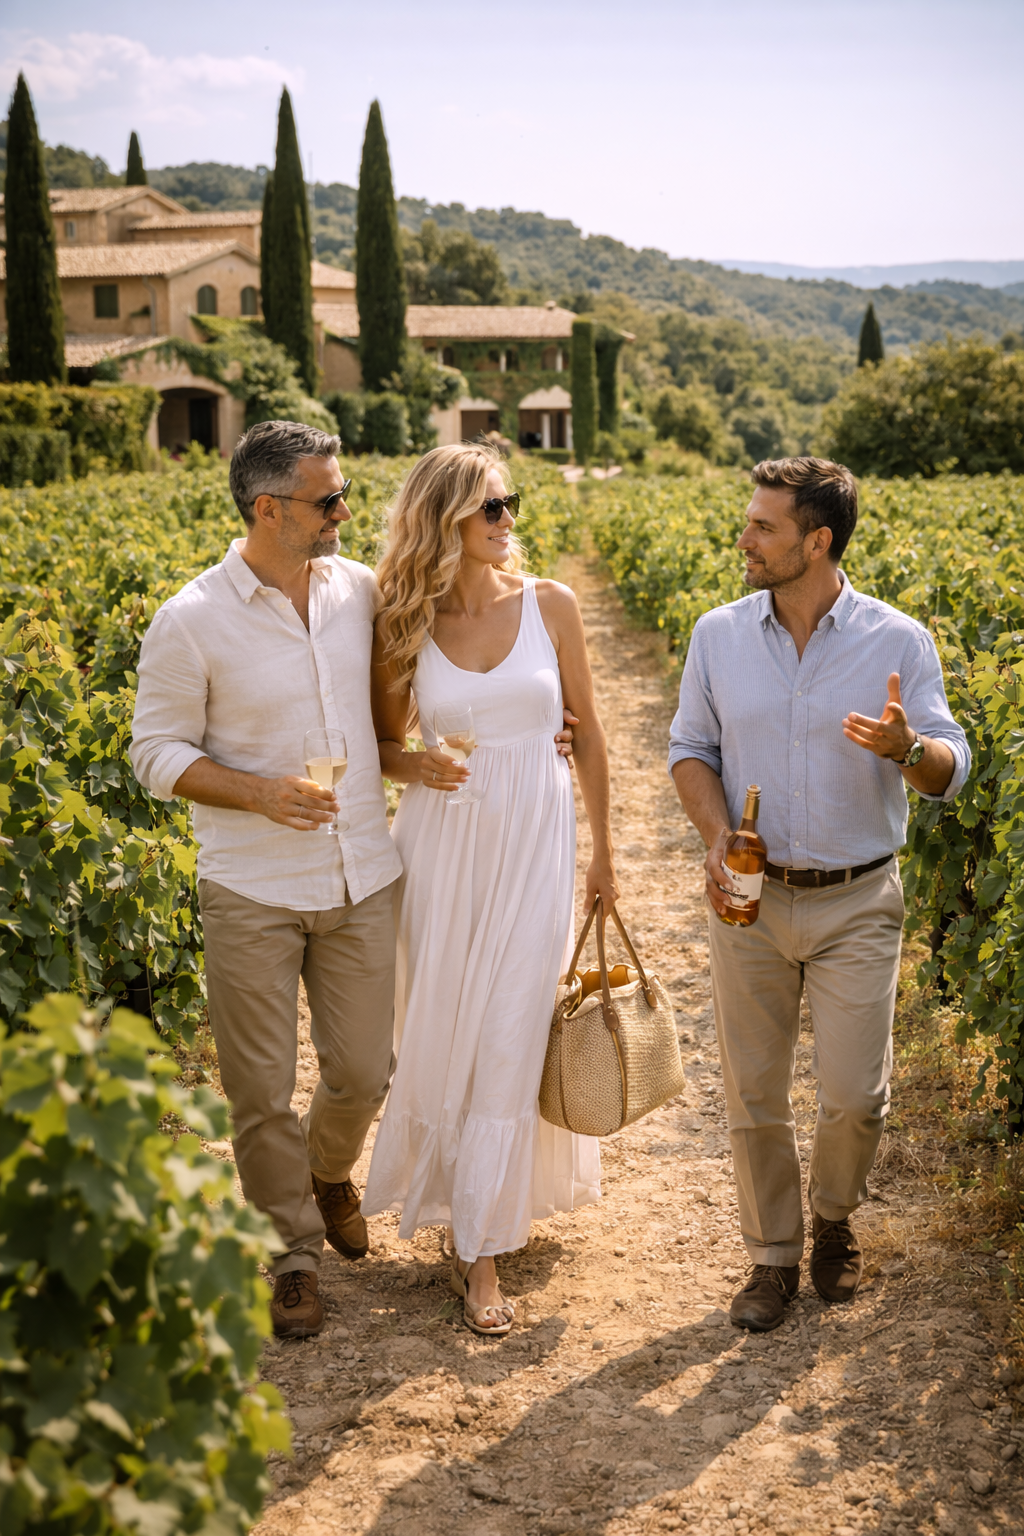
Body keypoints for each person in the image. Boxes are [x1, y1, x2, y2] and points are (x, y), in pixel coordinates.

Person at [668, 456, 970, 1331]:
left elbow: (950, 771)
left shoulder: (898, 642)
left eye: (764, 527)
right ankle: (771, 1257)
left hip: (855, 899)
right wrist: (719, 839)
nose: (745, 539)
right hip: (750, 902)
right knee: (754, 1093)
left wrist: (909, 750)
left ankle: (834, 1216)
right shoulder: (716, 634)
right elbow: (692, 749)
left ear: (818, 540)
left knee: (853, 1096)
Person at [130, 420, 404, 1339]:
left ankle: (329, 1175)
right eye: (329, 499)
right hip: (250, 884)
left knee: (365, 1071)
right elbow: (153, 753)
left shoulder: (359, 590)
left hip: (364, 869)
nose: (344, 511)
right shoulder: (192, 618)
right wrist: (254, 792)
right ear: (269, 508)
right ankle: (292, 1251)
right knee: (258, 1088)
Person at [362, 442, 618, 1334]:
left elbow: (587, 735)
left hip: (536, 839)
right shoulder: (409, 616)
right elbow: (383, 747)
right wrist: (416, 763)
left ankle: (483, 1252)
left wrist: (605, 859)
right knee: (444, 1024)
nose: (509, 521)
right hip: (442, 843)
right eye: (492, 509)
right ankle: (463, 1208)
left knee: (513, 1023)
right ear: (447, 521)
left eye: (511, 504)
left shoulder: (553, 605)